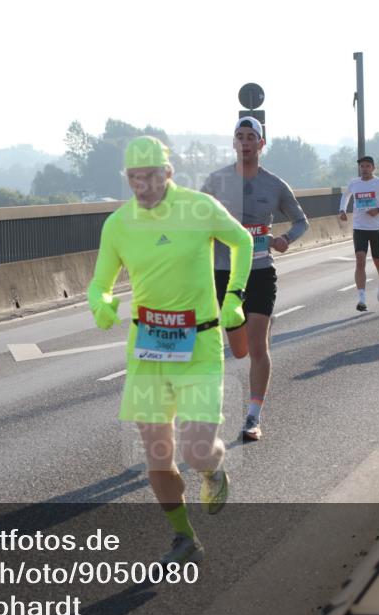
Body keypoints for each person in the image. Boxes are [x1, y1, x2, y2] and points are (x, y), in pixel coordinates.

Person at [87, 136, 252, 565]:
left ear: (169, 173)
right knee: (156, 455)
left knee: (197, 449)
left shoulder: (199, 208)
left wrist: (234, 296)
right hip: (148, 349)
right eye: (134, 178)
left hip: (199, 343)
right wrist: (100, 302)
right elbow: (100, 281)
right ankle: (183, 536)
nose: (142, 186)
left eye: (150, 176)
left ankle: (213, 471)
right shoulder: (118, 224)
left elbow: (242, 241)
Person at [202, 116, 310, 441]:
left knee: (258, 344)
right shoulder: (216, 181)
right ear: (234, 143)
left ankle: (253, 417)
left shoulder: (274, 184)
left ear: (261, 144)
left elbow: (301, 221)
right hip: (224, 272)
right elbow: (194, 217)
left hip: (261, 271)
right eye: (240, 136)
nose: (245, 142)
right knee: (239, 349)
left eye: (251, 137)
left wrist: (286, 239)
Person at [339, 156, 379, 311]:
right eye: (362, 166)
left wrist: (378, 210)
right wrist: (342, 210)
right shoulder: (354, 183)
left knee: (378, 261)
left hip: (376, 228)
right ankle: (362, 299)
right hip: (359, 228)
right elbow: (346, 196)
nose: (364, 169)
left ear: (373, 168)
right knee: (360, 261)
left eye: (367, 166)